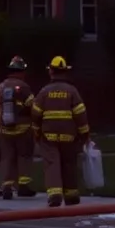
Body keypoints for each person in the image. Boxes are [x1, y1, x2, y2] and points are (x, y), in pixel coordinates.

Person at [30, 55, 90, 207]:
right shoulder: (72, 91)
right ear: (65, 72)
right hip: (69, 137)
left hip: (48, 137)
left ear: (51, 72)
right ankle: (71, 195)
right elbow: (80, 115)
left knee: (52, 164)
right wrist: (84, 135)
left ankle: (55, 195)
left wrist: (36, 133)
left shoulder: (44, 92)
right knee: (69, 164)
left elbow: (36, 114)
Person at [0, 55, 36, 199]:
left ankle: (6, 186)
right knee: (24, 156)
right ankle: (23, 186)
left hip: (4, 129)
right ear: (20, 71)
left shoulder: (0, 87)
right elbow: (32, 105)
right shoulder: (23, 86)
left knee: (7, 158)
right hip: (23, 129)